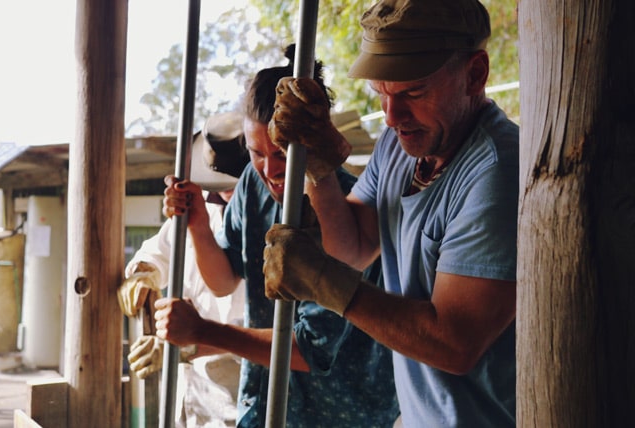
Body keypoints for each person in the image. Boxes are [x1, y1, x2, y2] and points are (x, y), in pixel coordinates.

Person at [263, 1, 519, 427]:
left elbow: (454, 344)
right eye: (381, 92)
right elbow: (354, 249)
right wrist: (321, 169)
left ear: (475, 74)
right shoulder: (401, 144)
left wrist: (324, 282)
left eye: (413, 93)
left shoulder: (496, 173)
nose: (392, 115)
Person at [155, 44, 400, 428]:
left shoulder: (348, 214)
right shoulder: (254, 184)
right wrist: (199, 226)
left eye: (284, 153)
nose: (270, 169)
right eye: (257, 152)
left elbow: (308, 351)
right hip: (267, 401)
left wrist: (201, 332)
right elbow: (222, 281)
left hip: (341, 413)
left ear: (312, 142)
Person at [117, 111, 249, 427]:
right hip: (189, 394)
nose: (227, 190)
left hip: (238, 394)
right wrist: (143, 274)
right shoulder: (199, 205)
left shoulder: (270, 218)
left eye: (235, 182)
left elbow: (261, 327)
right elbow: (158, 251)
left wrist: (182, 347)